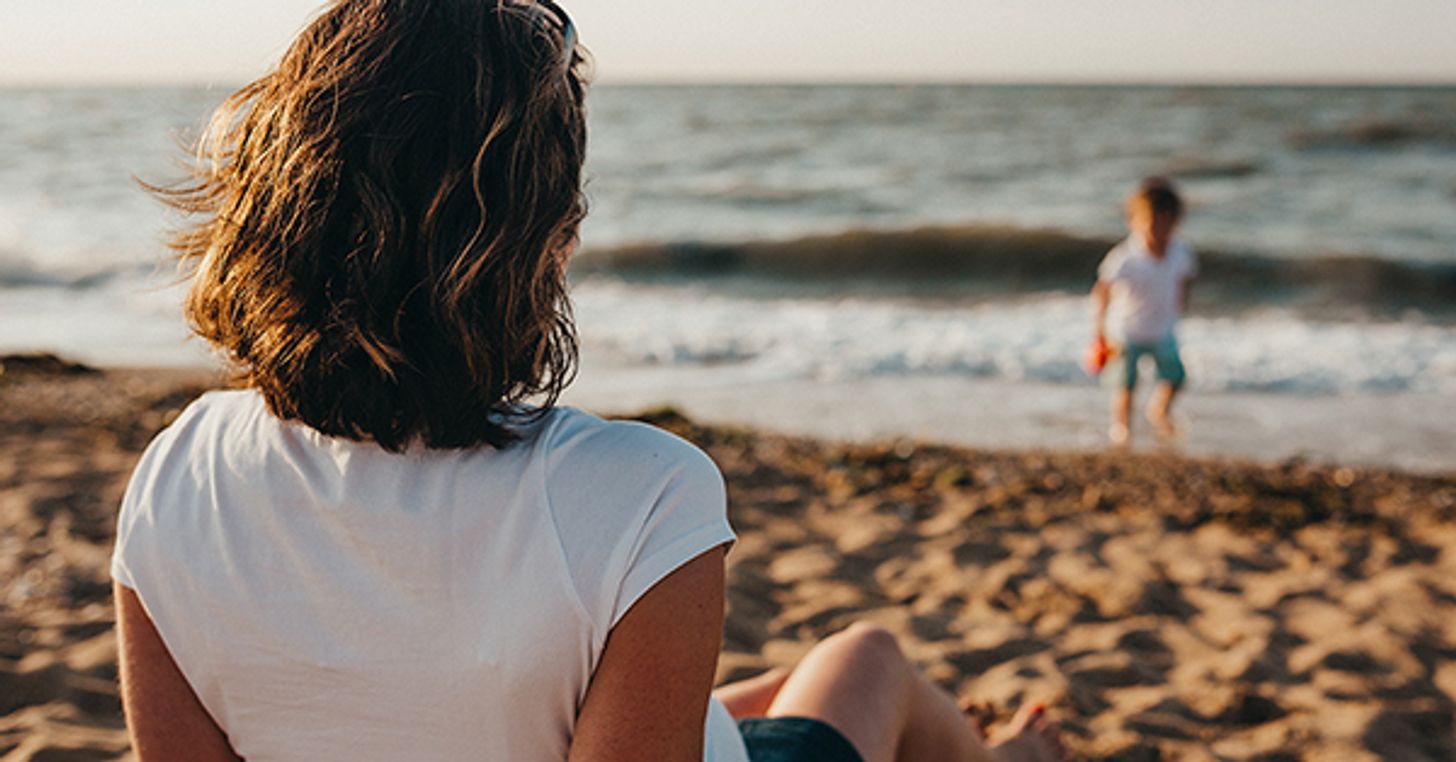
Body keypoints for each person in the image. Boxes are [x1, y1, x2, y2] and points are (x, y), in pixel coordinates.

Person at [111, 2, 1068, 760]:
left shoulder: (175, 474)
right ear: (546, 243)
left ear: (283, 208)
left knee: (764, 691)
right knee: (870, 660)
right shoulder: (645, 496)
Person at [1090, 178, 1196, 446]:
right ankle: (1122, 428)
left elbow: (1184, 279)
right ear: (1133, 221)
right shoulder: (1125, 257)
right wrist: (1099, 331)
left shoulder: (1180, 252)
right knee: (1125, 384)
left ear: (1176, 223)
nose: (1159, 232)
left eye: (1166, 225)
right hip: (1127, 331)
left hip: (1163, 329)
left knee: (1176, 377)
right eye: (1152, 224)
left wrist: (1179, 304)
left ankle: (1158, 410)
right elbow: (1102, 290)